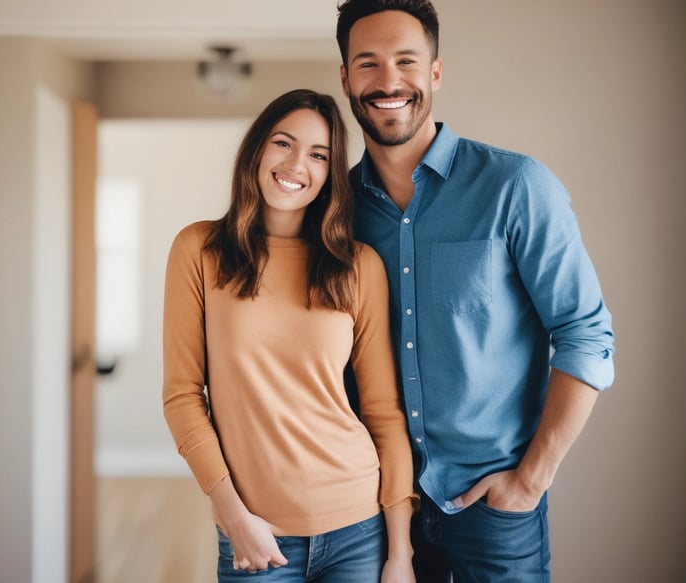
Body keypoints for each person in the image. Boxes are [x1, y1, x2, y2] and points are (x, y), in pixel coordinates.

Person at [335, 1, 616, 581]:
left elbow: (587, 336)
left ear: (435, 72)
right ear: (345, 78)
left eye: (406, 61)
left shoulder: (515, 187)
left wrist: (532, 478)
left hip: (494, 510)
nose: (388, 81)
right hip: (372, 510)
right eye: (368, 63)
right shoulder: (333, 213)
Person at [162, 88, 417, 582]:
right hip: (256, 532)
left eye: (319, 155)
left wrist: (400, 553)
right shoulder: (199, 250)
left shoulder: (358, 266)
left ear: (329, 173)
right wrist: (233, 516)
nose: (297, 163)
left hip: (358, 528)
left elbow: (384, 413)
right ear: (257, 150)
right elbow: (182, 396)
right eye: (283, 143)